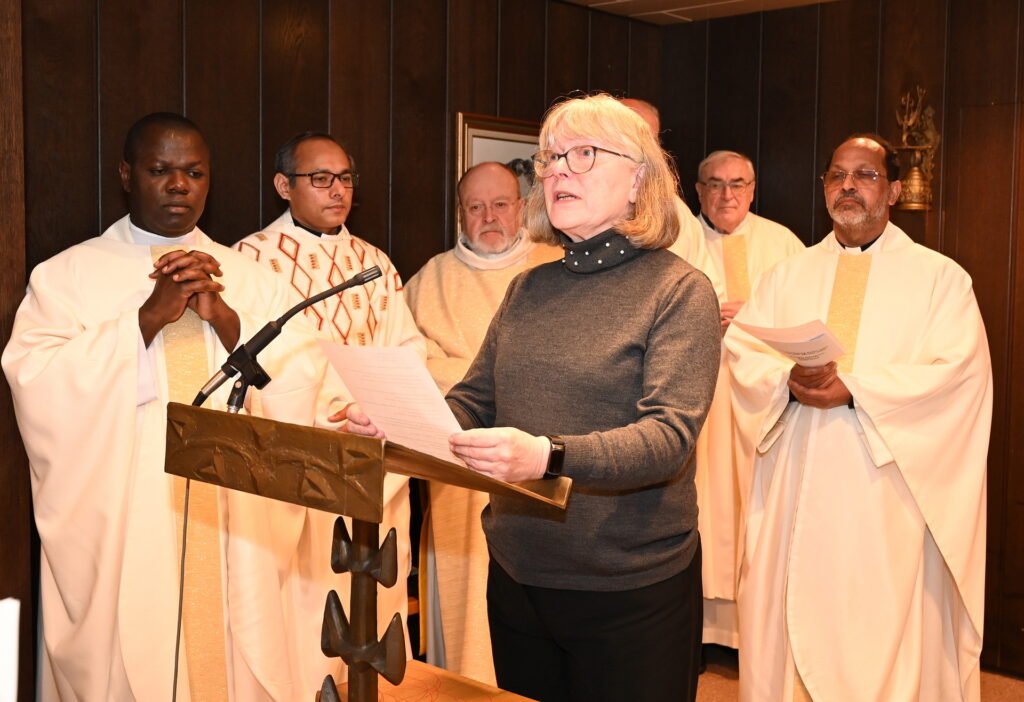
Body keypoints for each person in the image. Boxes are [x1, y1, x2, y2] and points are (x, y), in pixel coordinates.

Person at [349, 93, 720, 701]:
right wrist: (397, 420)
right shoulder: (528, 288)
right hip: (519, 572)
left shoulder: (679, 290)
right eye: (550, 158)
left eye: (584, 154)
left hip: (629, 587)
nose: (558, 171)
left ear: (638, 181)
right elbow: (474, 402)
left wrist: (548, 456)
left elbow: (667, 440)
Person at [2, 113, 329, 700]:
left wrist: (228, 321)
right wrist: (148, 318)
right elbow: (38, 381)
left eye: (194, 173)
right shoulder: (68, 275)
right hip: (129, 517)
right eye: (160, 170)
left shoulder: (252, 280)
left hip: (232, 520)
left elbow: (305, 380)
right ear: (127, 175)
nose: (179, 185)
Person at [726, 134, 991, 701]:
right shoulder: (786, 275)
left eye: (865, 175)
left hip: (886, 491)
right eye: (837, 175)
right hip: (794, 477)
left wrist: (857, 389)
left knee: (877, 628)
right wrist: (785, 379)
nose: (848, 186)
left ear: (892, 190)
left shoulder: (941, 279)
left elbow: (958, 377)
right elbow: (743, 354)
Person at [234, 131, 425, 678]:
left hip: (375, 448)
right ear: (283, 186)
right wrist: (329, 411)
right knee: (309, 594)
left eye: (345, 178)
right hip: (304, 451)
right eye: (320, 179)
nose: (337, 190)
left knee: (376, 592)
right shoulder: (250, 259)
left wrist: (381, 408)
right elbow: (253, 360)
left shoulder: (374, 261)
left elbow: (407, 346)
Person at [405, 161, 561, 683]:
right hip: (459, 462)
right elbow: (412, 363)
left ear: (522, 208)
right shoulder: (430, 280)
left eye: (500, 204)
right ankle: (464, 679)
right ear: (460, 214)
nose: (489, 217)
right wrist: (490, 382)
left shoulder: (554, 267)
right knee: (466, 586)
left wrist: (481, 378)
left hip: (538, 457)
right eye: (475, 207)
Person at [691, 150, 804, 648]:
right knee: (705, 503)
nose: (727, 195)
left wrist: (754, 321)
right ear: (698, 191)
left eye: (738, 184)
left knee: (756, 506)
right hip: (701, 394)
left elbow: (807, 319)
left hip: (763, 399)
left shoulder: (784, 245)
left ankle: (752, 634)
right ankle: (699, 630)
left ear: (753, 190)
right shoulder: (680, 242)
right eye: (715, 184)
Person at [620, 97, 723, 297]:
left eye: (650, 141)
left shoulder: (674, 211)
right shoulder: (575, 198)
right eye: (630, 137)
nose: (641, 150)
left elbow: (706, 290)